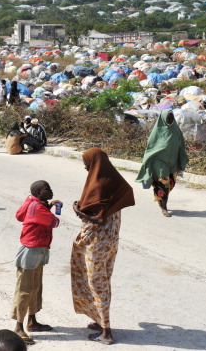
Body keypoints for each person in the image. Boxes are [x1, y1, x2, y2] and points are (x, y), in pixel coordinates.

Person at [71, 148, 135, 345]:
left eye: (87, 162)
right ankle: (100, 320)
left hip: (97, 245)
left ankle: (106, 332)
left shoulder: (99, 185)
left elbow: (97, 219)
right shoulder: (115, 182)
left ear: (95, 162)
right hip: (110, 243)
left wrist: (77, 210)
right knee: (103, 281)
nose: (85, 166)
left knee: (96, 284)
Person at [11, 180, 61, 346]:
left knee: (35, 287)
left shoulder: (32, 202)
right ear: (39, 193)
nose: (51, 191)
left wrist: (47, 205)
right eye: (48, 189)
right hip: (31, 251)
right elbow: (54, 222)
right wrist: (50, 210)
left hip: (38, 249)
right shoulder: (37, 208)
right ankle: (18, 326)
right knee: (24, 289)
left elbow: (19, 216)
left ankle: (32, 321)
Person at [135, 109, 188, 217]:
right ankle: (164, 208)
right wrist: (148, 161)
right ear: (163, 119)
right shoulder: (157, 131)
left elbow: (181, 145)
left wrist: (181, 160)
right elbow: (151, 147)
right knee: (164, 184)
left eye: (171, 118)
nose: (170, 120)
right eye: (168, 118)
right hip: (159, 163)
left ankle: (160, 199)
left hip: (172, 163)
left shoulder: (176, 130)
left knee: (171, 184)